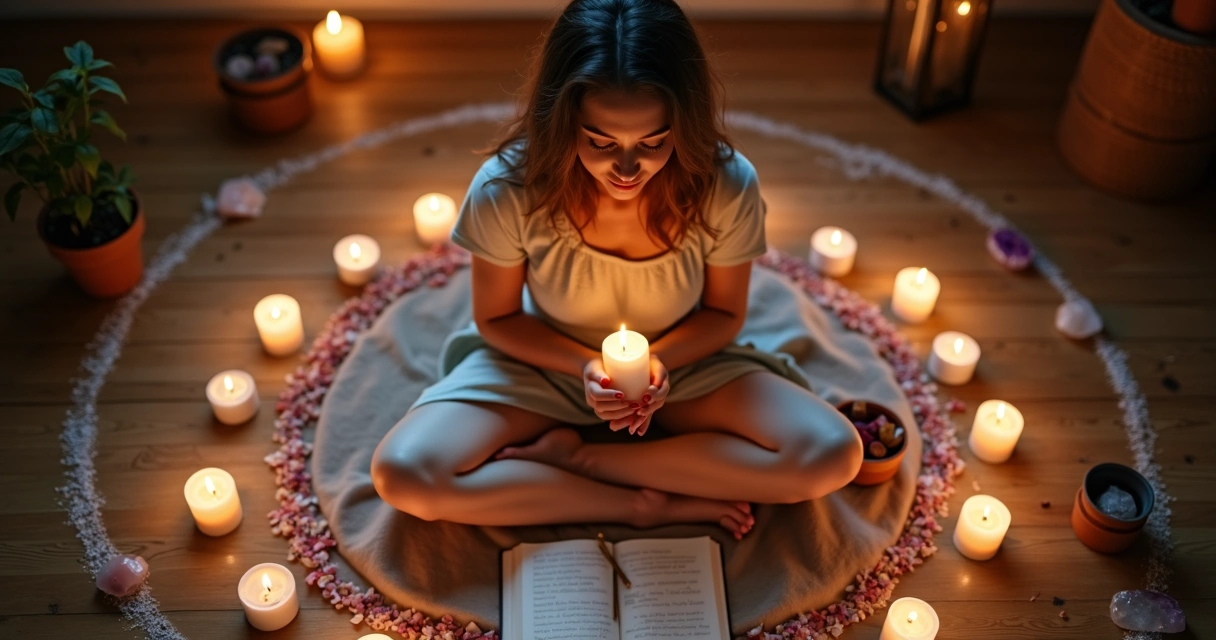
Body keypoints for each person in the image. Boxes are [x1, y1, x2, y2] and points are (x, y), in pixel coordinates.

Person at [371, 0, 862, 541]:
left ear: (685, 121)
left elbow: (724, 313)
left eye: (653, 142)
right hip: (543, 361)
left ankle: (584, 460)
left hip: (684, 364)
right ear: (562, 122)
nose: (627, 169)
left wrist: (658, 366)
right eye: (601, 142)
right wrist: (585, 367)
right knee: (403, 474)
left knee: (832, 454)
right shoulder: (506, 189)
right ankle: (637, 505)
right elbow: (497, 319)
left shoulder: (725, 183)